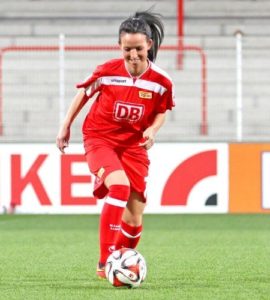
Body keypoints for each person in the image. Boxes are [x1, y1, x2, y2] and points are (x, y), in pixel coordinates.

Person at [56, 9, 175, 278]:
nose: (133, 55)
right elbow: (83, 95)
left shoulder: (162, 81)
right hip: (100, 138)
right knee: (119, 187)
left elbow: (161, 110)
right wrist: (66, 126)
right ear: (119, 47)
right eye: (127, 49)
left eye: (138, 49)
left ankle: (118, 267)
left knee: (134, 218)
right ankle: (105, 261)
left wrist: (153, 131)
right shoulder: (107, 71)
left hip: (134, 146)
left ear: (149, 45)